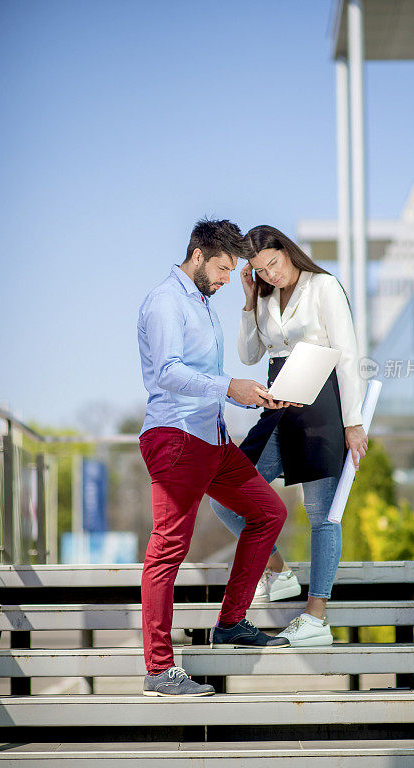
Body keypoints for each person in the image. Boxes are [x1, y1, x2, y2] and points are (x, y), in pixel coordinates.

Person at [138, 218, 297, 699]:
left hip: (213, 438)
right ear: (199, 254)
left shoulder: (202, 304)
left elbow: (204, 374)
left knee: (269, 512)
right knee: (169, 547)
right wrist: (231, 387)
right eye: (224, 269)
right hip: (176, 438)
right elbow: (167, 372)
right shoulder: (167, 301)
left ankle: (230, 622)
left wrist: (248, 396)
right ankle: (159, 669)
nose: (228, 279)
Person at [210, 225, 368, 647]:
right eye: (260, 270)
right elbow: (248, 355)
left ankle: (316, 617)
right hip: (277, 403)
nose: (271, 275)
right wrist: (248, 302)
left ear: (287, 250)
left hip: (321, 404)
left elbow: (349, 354)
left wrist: (353, 422)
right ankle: (278, 570)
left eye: (274, 264)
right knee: (225, 491)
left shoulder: (324, 287)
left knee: (322, 515)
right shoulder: (261, 296)